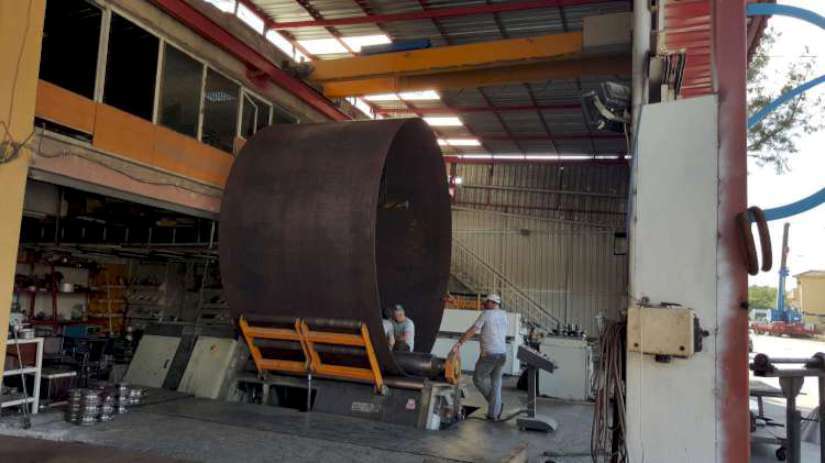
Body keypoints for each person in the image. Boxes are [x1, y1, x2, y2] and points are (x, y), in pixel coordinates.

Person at [452, 294, 508, 420]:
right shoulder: (503, 314)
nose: (484, 304)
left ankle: (496, 405)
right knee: (496, 383)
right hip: (502, 354)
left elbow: (473, 329)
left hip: (490, 354)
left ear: (493, 303)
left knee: (478, 379)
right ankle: (494, 412)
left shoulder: (486, 314)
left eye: (487, 302)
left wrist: (460, 343)